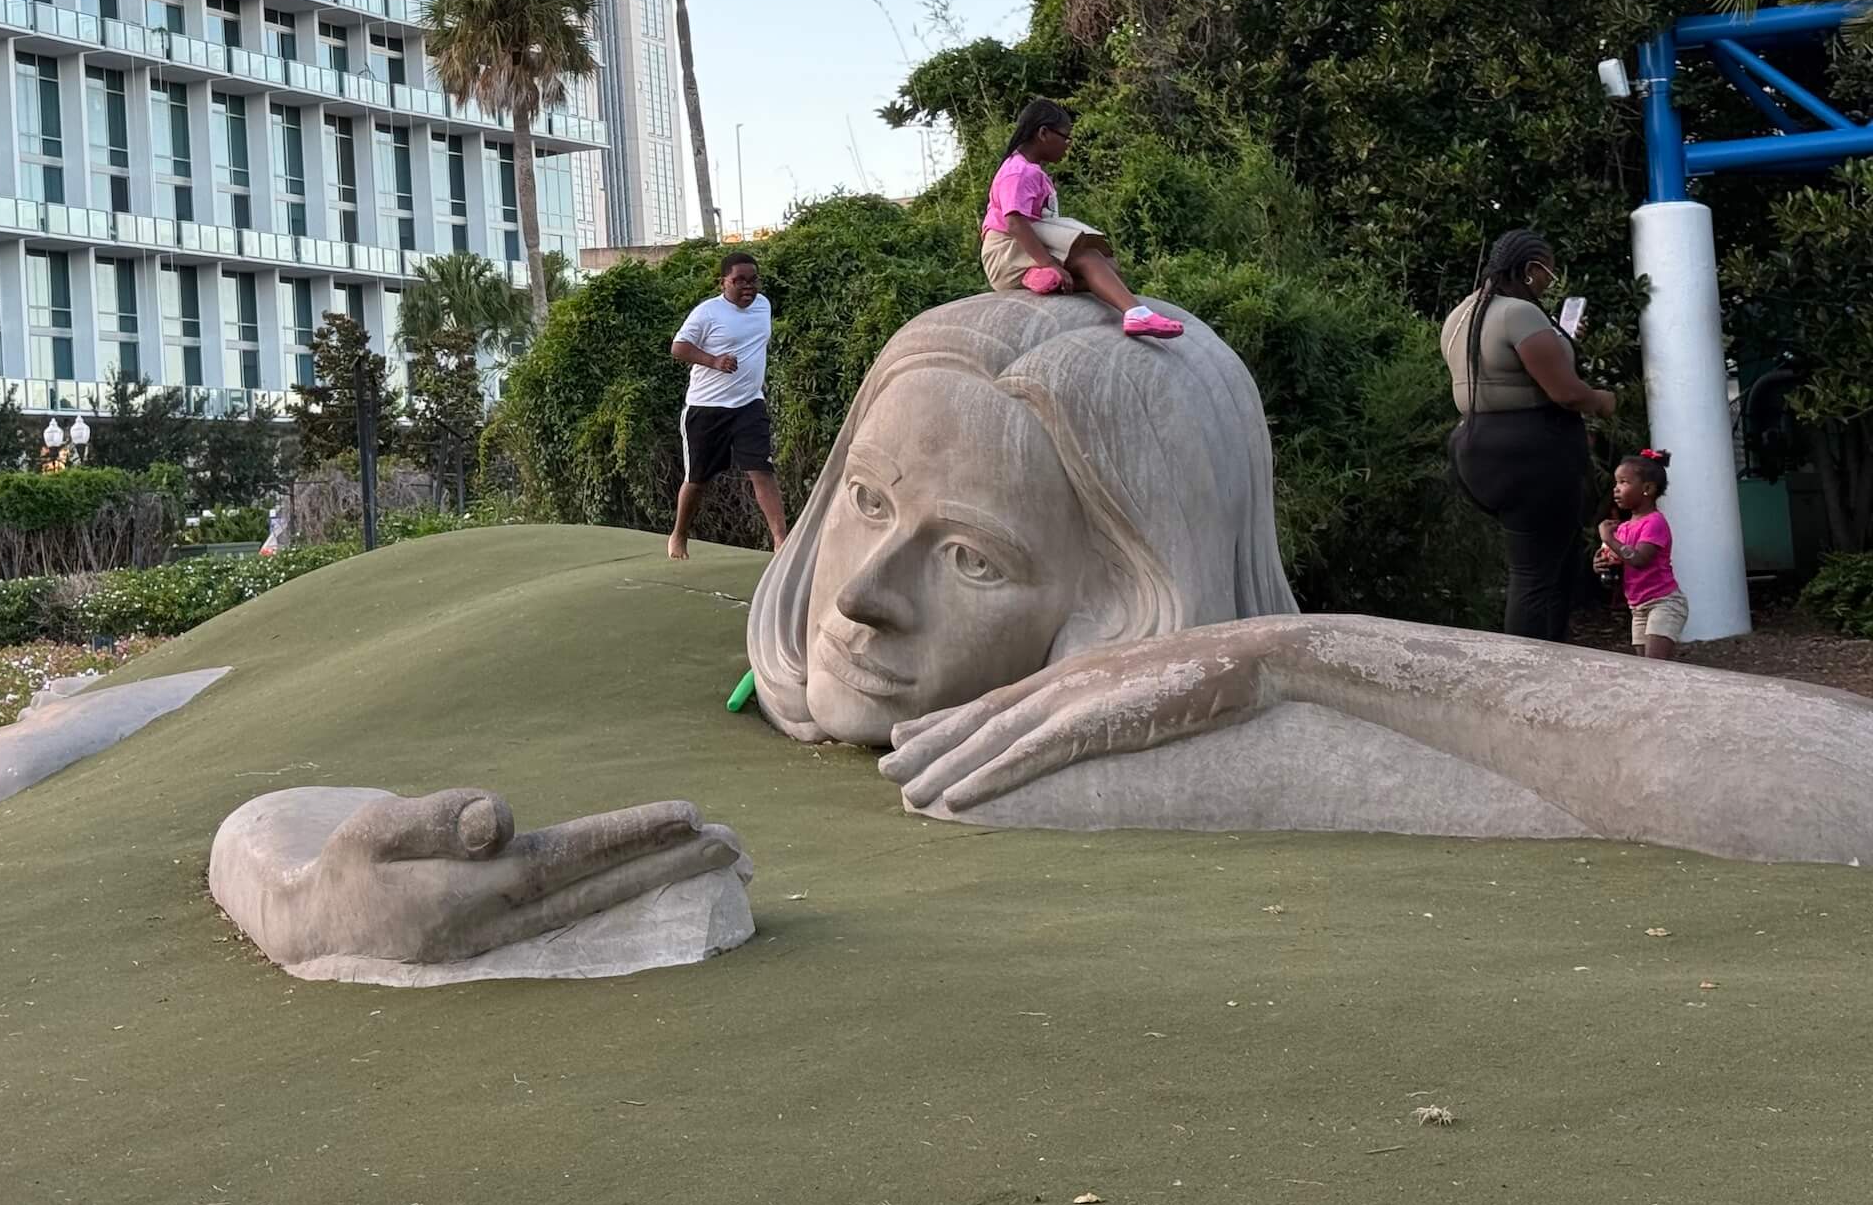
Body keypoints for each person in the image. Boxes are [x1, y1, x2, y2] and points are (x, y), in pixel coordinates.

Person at [741, 291, 1873, 867]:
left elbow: (1838, 791)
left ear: (1129, 602)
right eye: (870, 503)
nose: (858, 598)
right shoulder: (1015, 758)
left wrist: (1284, 661)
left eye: (970, 557)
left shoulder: (1075, 750)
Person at [1440, 229, 1616, 641]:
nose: (1550, 282)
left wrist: (1564, 340)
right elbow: (1566, 393)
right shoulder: (1519, 313)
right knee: (1536, 577)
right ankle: (1531, 674)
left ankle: (1551, 662)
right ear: (1531, 270)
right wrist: (1605, 400)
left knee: (1547, 565)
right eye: (1549, 274)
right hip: (1531, 453)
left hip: (1475, 447)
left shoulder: (1463, 313)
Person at [980, 99, 1183, 339]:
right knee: (1088, 259)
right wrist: (1048, 262)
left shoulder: (1035, 172)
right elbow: (1015, 222)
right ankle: (1136, 313)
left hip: (1022, 247)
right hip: (1006, 251)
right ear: (1043, 133)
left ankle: (1045, 281)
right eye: (1065, 137)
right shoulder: (1018, 171)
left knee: (1111, 268)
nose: (1068, 145)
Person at [668, 251, 786, 560]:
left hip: (749, 404)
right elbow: (678, 348)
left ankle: (781, 541)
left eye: (753, 280)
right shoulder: (707, 313)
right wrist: (714, 361)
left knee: (762, 470)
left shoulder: (763, 306)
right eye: (739, 281)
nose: (748, 287)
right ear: (724, 282)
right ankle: (679, 535)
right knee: (697, 480)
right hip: (706, 409)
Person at [1596, 450, 1684, 660]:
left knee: (1654, 666)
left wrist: (1610, 540)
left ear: (1647, 488)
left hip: (1663, 603)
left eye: (1624, 482)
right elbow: (1620, 558)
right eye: (1616, 482)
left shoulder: (1654, 522)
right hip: (1637, 607)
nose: (1616, 489)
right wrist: (1600, 562)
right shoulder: (1624, 527)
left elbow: (1639, 560)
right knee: (1644, 669)